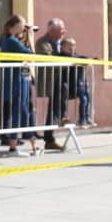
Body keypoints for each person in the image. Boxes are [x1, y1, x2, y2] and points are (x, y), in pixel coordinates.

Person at [0, 16, 35, 156]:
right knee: (19, 113)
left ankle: (29, 142)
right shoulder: (11, 41)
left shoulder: (11, 40)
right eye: (23, 24)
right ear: (16, 25)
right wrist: (30, 38)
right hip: (16, 82)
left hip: (18, 81)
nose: (25, 27)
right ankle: (15, 146)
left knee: (22, 112)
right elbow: (31, 55)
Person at [33, 17, 70, 150]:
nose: (64, 31)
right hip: (51, 79)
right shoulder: (42, 42)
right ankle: (49, 137)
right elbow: (50, 58)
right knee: (53, 108)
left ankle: (62, 119)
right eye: (61, 29)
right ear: (51, 31)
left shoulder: (63, 42)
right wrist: (66, 56)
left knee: (57, 106)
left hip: (62, 80)